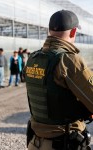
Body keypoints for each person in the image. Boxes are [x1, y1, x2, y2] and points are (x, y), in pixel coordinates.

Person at [25, 10, 93, 150]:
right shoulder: (68, 60)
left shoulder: (33, 58)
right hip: (63, 143)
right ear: (73, 32)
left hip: (35, 143)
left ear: (49, 30)